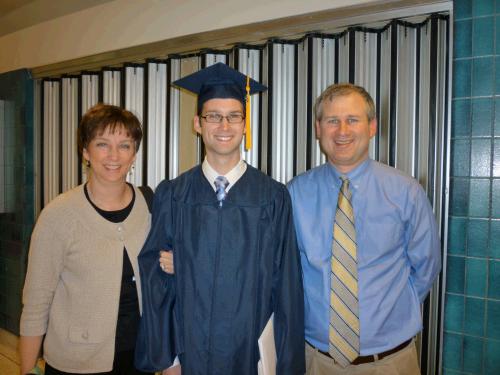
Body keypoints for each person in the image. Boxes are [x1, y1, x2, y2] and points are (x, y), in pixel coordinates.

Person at [135, 62, 305, 375]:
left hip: (251, 357)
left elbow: (288, 288)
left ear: (245, 123)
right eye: (213, 116)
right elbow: (155, 278)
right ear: (197, 123)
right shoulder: (173, 194)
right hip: (189, 356)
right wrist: (168, 360)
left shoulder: (273, 197)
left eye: (233, 116)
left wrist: (286, 363)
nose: (223, 125)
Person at [287, 83, 441, 375]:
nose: (342, 131)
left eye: (352, 120)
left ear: (372, 127)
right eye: (332, 121)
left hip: (390, 362)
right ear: (318, 129)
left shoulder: (405, 192)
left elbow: (426, 267)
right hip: (315, 362)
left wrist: (385, 313)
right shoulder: (294, 194)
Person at [20, 104, 155, 375]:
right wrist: (27, 368)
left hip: (139, 358)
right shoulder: (59, 215)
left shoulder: (150, 205)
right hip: (75, 363)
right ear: (85, 152)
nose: (114, 155)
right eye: (102, 144)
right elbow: (36, 302)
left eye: (125, 145)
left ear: (134, 154)